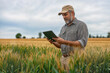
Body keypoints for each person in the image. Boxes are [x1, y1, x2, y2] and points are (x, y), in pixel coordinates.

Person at [47, 5, 88, 73]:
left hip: (75, 59)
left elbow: (82, 43)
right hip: (63, 59)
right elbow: (61, 45)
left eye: (65, 14)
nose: (64, 17)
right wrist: (53, 42)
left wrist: (64, 42)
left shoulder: (81, 25)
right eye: (62, 15)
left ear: (72, 13)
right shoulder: (63, 28)